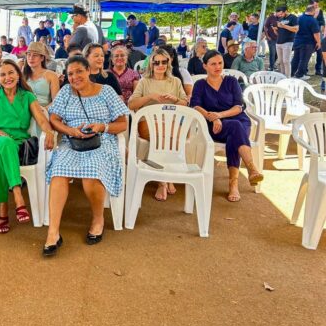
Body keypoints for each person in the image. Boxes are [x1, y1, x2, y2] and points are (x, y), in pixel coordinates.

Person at [43, 55, 129, 256]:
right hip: (71, 140)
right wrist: (70, 131)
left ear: (89, 70)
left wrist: (102, 126)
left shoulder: (106, 91)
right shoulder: (66, 91)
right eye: (70, 74)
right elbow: (54, 118)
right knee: (58, 172)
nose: (75, 77)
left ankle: (98, 219)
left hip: (102, 141)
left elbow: (122, 124)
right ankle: (53, 232)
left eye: (79, 71)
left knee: (92, 174)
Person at [0, 59, 54, 234]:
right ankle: (17, 193)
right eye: (2, 75)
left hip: (18, 143)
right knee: (4, 143)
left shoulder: (28, 96)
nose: (7, 77)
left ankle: (3, 210)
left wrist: (49, 132)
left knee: (0, 159)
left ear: (18, 75)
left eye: (11, 73)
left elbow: (41, 119)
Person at [191, 50, 264, 201]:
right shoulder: (200, 84)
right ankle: (250, 168)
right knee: (235, 130)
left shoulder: (231, 81)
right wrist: (212, 118)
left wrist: (219, 115)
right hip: (214, 126)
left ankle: (234, 183)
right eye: (213, 64)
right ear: (205, 66)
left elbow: (239, 106)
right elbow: (195, 106)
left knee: (235, 132)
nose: (218, 67)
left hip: (238, 120)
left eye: (220, 63)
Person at [128, 48, 188, 201]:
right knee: (162, 136)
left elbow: (185, 104)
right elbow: (132, 104)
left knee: (174, 136)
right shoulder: (144, 81)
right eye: (156, 62)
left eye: (164, 62)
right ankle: (163, 181)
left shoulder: (175, 81)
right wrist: (150, 97)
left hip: (171, 122)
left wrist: (175, 99)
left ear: (168, 63)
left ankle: (167, 176)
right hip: (148, 122)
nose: (160, 65)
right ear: (151, 64)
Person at [23, 42, 59, 108]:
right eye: (29, 54)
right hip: (24, 109)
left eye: (35, 55)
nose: (31, 58)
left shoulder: (52, 75)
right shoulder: (22, 74)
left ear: (42, 58)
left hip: (44, 110)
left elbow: (56, 102)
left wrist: (43, 110)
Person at [291, 5, 321, 80]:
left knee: (296, 58)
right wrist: (318, 42)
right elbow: (316, 33)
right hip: (307, 43)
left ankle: (291, 73)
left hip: (297, 41)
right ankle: (299, 75)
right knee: (304, 59)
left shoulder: (299, 18)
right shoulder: (313, 20)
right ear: (313, 11)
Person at [275, 5, 299, 77]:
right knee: (281, 61)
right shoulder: (280, 18)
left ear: (286, 11)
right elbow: (279, 31)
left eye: (281, 14)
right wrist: (275, 29)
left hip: (288, 42)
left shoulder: (293, 17)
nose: (280, 15)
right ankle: (283, 77)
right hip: (278, 42)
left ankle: (288, 78)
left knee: (286, 61)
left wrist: (283, 26)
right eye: (279, 14)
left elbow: (296, 29)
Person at [310, 0, 325, 75]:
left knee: (320, 53)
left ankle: (318, 70)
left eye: (317, 5)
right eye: (315, 5)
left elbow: (322, 21)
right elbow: (310, 21)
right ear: (311, 5)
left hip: (319, 34)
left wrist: (322, 27)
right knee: (308, 53)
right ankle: (304, 70)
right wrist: (315, 16)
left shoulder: (320, 11)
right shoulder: (308, 11)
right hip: (310, 35)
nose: (317, 6)